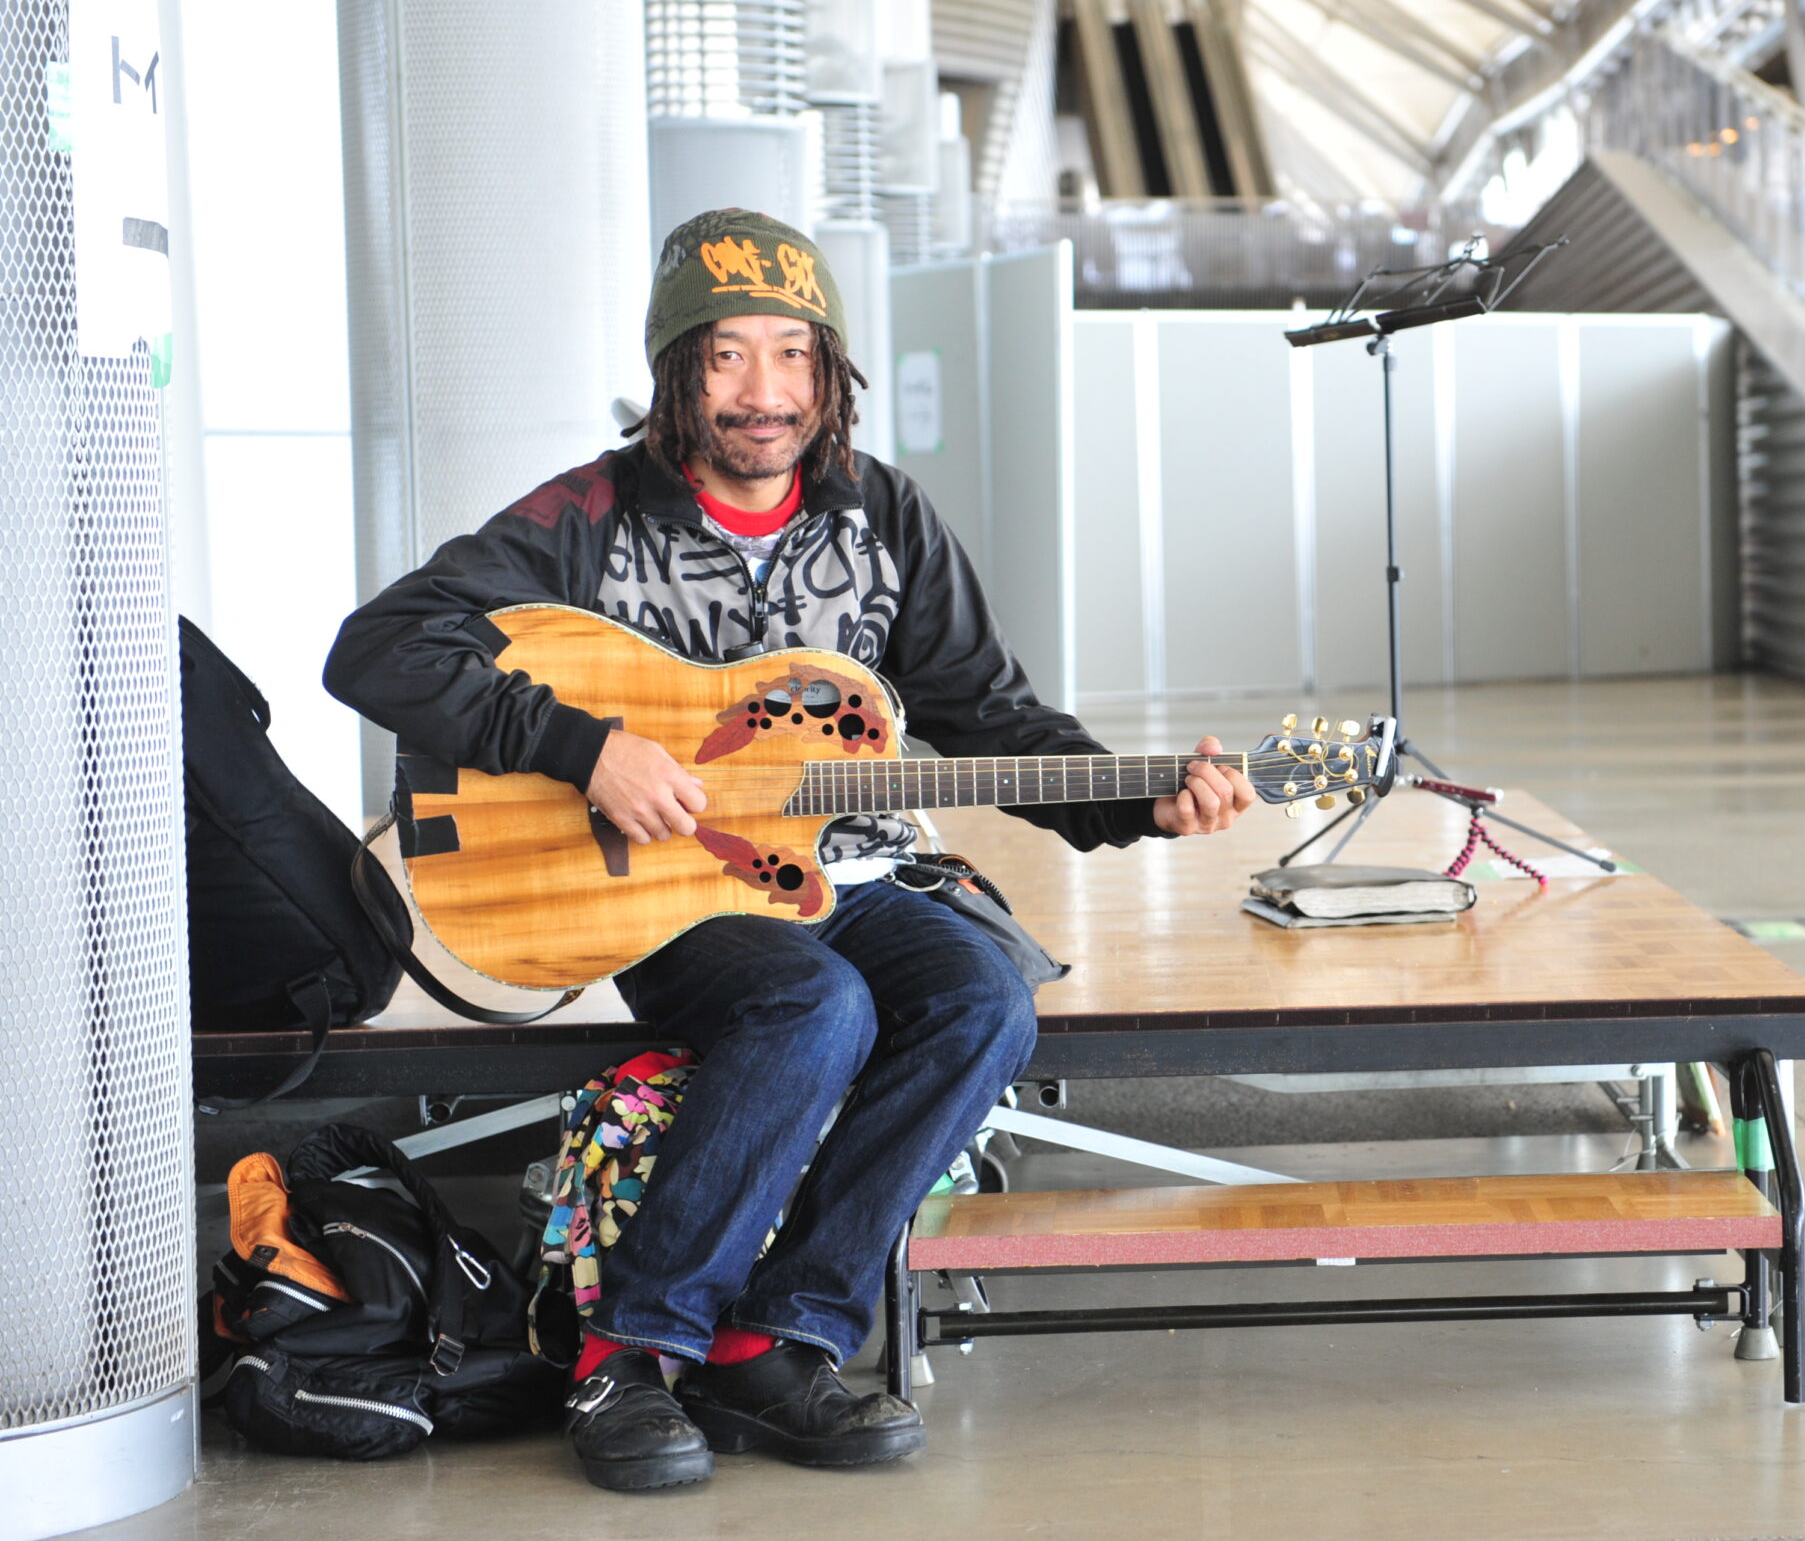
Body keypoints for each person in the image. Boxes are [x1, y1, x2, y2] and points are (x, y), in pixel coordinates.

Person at [324, 208, 1253, 1491]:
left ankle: (775, 1337)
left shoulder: (884, 520)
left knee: (982, 996)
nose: (765, 394)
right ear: (674, 372)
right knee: (810, 1001)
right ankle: (630, 1349)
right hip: (664, 902)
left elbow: (991, 716)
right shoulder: (589, 516)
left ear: (831, 374)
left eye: (793, 356)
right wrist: (581, 746)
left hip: (840, 867)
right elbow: (376, 647)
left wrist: (1137, 799)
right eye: (726, 358)